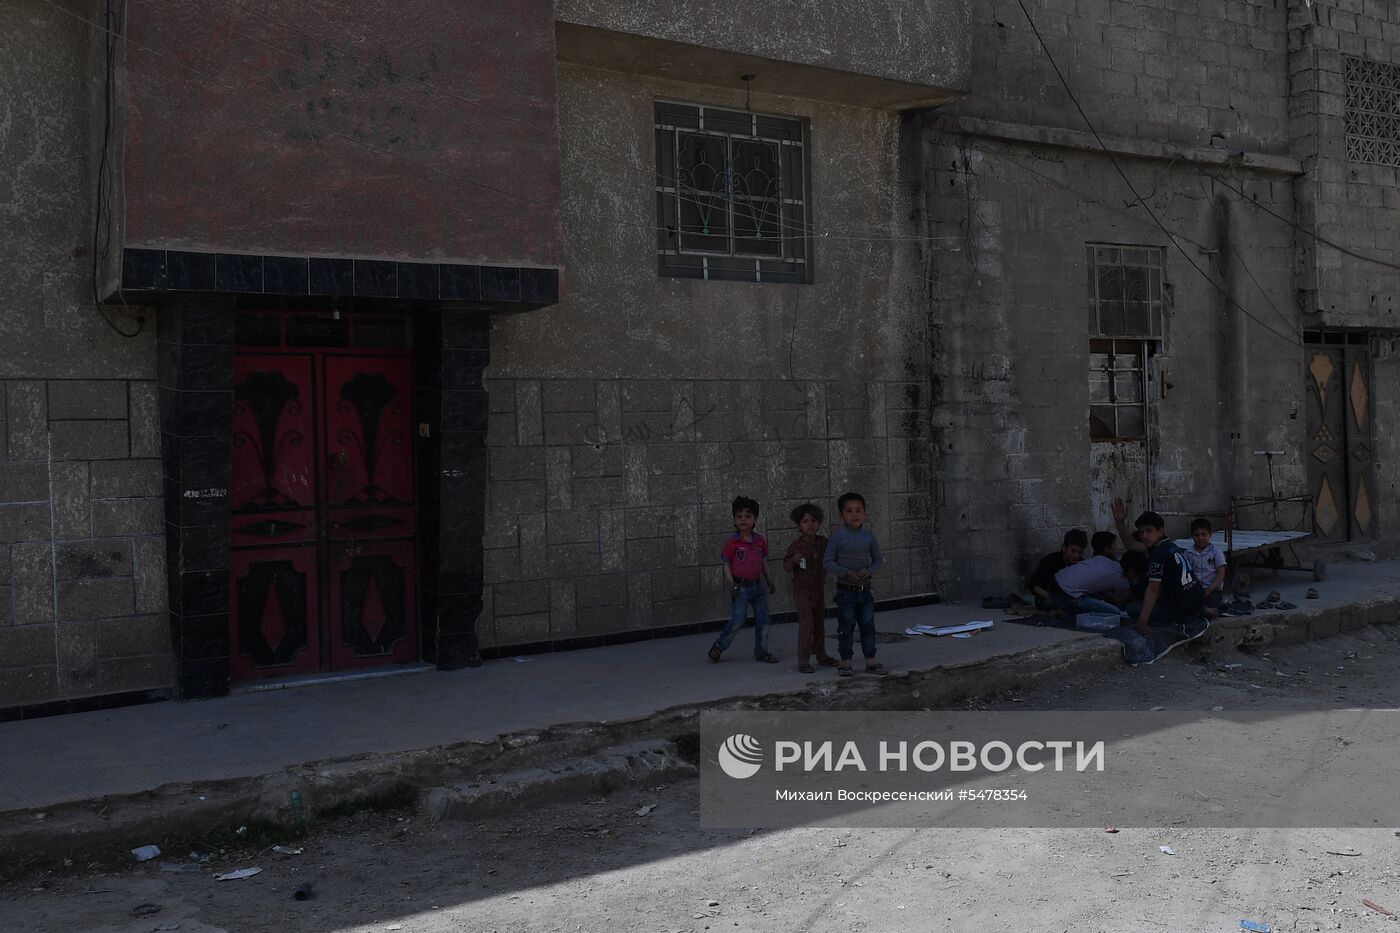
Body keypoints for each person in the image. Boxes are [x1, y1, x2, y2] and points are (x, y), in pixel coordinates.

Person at [1128, 510, 1208, 664]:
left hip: (1180, 611)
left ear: (1160, 530)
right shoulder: (1171, 546)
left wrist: (1142, 622)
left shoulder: (1158, 555)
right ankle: (1204, 610)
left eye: (1149, 531)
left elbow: (1153, 589)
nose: (1144, 536)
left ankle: (1186, 612)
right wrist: (1120, 523)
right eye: (1141, 532)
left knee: (1132, 608)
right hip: (1196, 599)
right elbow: (1130, 544)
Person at [823, 491, 888, 677]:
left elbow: (877, 559)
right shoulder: (837, 537)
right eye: (849, 511)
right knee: (845, 628)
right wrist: (845, 573)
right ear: (841, 514)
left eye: (858, 510)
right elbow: (827, 561)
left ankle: (871, 661)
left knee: (868, 626)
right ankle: (845, 663)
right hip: (845, 592)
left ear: (865, 514)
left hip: (865, 591)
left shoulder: (869, 536)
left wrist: (869, 571)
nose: (854, 514)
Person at [708, 496, 778, 664]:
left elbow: (763, 562)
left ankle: (761, 652)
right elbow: (726, 564)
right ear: (734, 519)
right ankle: (719, 647)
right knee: (738, 620)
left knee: (764, 620)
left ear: (755, 519)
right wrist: (731, 583)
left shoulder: (760, 541)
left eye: (747, 516)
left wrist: (770, 580)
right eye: (739, 516)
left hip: (757, 587)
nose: (743, 519)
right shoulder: (732, 543)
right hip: (740, 588)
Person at [783, 503, 837, 674]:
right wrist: (793, 561)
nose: (810, 524)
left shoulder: (823, 542)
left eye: (813, 520)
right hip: (802, 592)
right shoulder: (796, 546)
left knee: (819, 624)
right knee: (806, 625)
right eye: (805, 521)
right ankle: (803, 660)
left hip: (818, 590)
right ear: (799, 525)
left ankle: (821, 655)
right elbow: (786, 566)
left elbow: (834, 555)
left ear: (819, 523)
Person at [1051, 531, 1131, 618]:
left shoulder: (1096, 560)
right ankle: (1065, 613)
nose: (1116, 548)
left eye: (1080, 552)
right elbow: (1122, 598)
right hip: (1066, 596)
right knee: (1116, 613)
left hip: (1056, 586)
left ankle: (1064, 612)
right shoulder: (1116, 576)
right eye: (1114, 545)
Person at [1028, 530, 1088, 611]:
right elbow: (1033, 585)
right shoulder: (1050, 561)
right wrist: (1048, 595)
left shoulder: (1081, 563)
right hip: (1046, 598)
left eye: (1080, 552)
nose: (1076, 556)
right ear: (1064, 548)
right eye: (1073, 551)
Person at [1185, 517, 1228, 615]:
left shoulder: (1216, 552)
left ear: (1210, 535)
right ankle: (1202, 610)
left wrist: (1209, 589)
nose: (1200, 538)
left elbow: (1221, 573)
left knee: (1208, 604)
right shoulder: (1188, 553)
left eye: (1204, 534)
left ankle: (1207, 610)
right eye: (1197, 535)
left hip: (1213, 590)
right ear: (1192, 536)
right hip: (1195, 590)